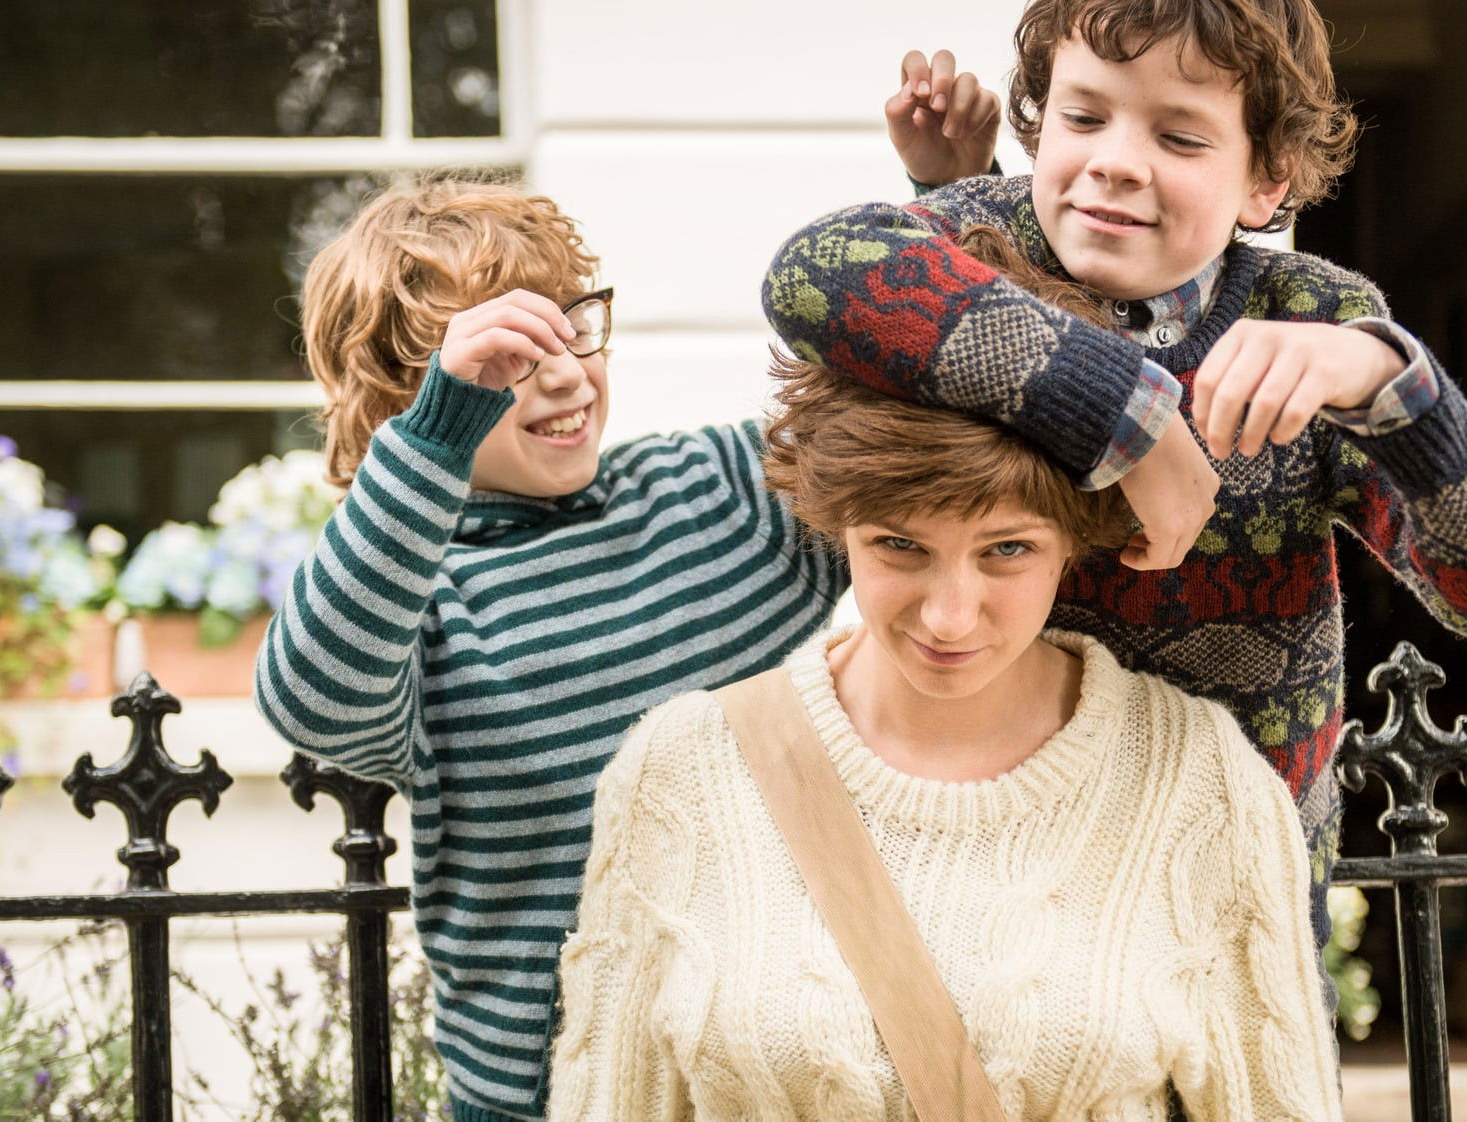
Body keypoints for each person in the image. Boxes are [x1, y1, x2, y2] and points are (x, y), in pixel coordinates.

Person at [254, 177, 1163, 1121]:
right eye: (507, 361)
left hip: (771, 1080)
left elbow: (906, 452)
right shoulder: (423, 606)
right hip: (547, 1099)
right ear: (406, 400)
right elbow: (309, 701)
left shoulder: (713, 489)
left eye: (571, 328)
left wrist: (943, 195)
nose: (563, 375)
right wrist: (438, 435)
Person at [763, 0, 1467, 954]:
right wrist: (1132, 417)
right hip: (979, 884)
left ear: (1266, 182)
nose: (1115, 160)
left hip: (1220, 912)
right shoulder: (973, 242)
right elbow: (811, 272)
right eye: (1083, 116)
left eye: (1180, 136)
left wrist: (1383, 381)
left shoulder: (1311, 319)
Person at [547, 348, 1345, 1122]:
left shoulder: (1197, 778)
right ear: (840, 528)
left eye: (1008, 549)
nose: (950, 617)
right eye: (900, 545)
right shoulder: (682, 770)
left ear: (1075, 538)